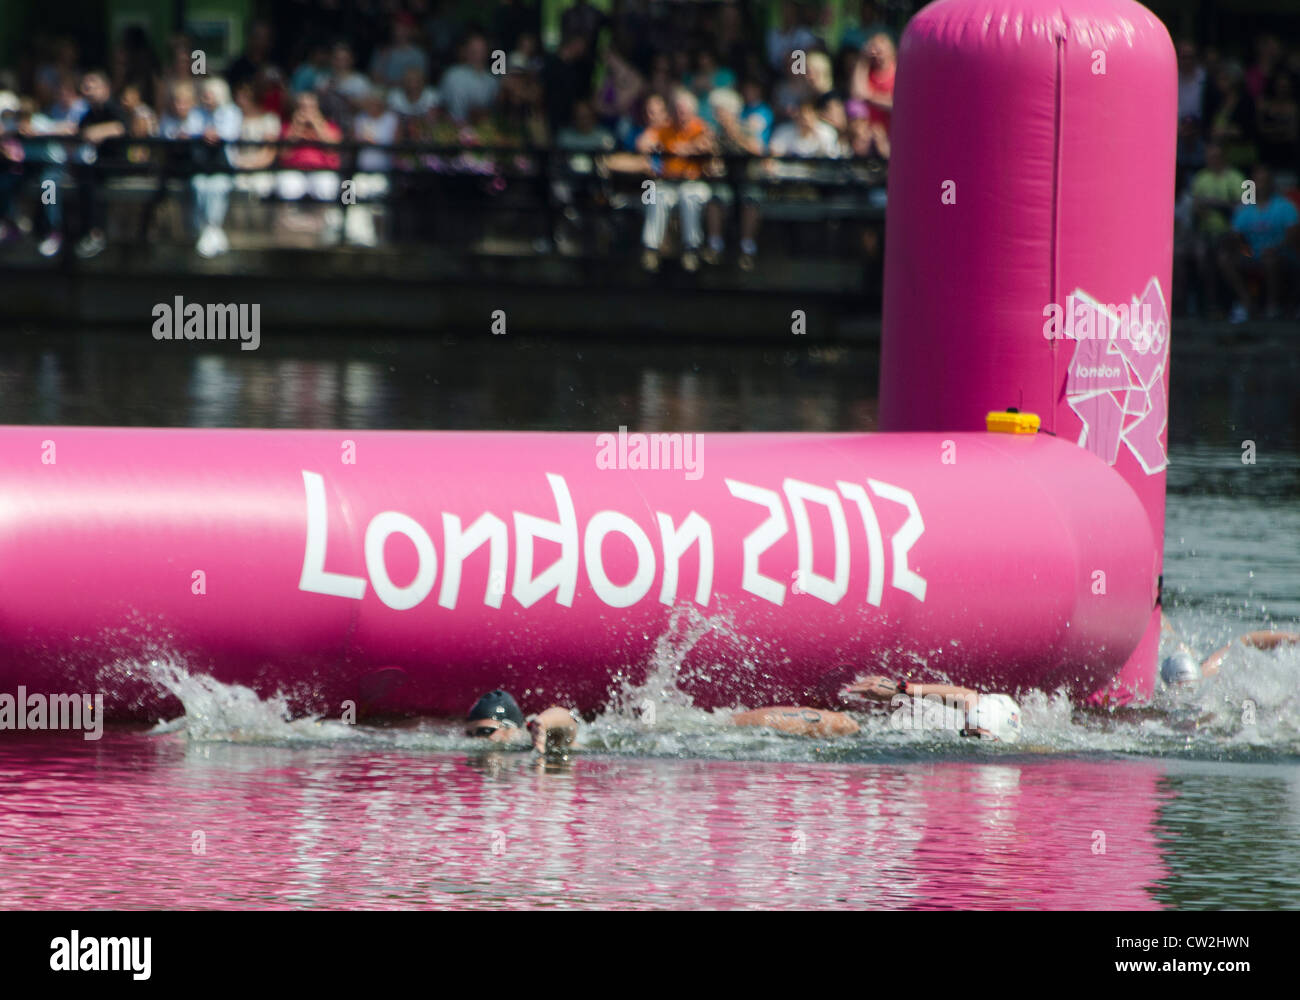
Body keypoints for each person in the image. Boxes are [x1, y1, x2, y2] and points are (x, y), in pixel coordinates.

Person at [732, 674, 1023, 744]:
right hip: (889, 738)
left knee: (843, 724)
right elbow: (967, 696)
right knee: (844, 724)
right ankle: (727, 723)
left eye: (971, 730)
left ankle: (724, 725)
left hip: (882, 743)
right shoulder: (998, 729)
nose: (966, 729)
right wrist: (899, 689)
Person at [636, 88, 714, 272]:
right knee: (653, 194)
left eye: (685, 111)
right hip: (668, 181)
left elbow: (708, 144)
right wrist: (655, 140)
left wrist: (688, 148)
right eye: (678, 111)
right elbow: (642, 144)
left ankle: (691, 249)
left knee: (690, 197)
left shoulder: (701, 127)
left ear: (692, 111)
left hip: (693, 182)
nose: (681, 115)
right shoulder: (666, 128)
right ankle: (651, 248)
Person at [1219, 164, 1298, 321]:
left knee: (1270, 259)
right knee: (1225, 258)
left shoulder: (1285, 206)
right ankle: (1247, 302)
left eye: (1264, 181)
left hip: (1281, 254)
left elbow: (1293, 235)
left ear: (1271, 183)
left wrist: (1275, 248)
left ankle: (1272, 306)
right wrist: (1244, 249)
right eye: (1258, 181)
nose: (1261, 185)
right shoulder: (1245, 208)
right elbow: (1236, 235)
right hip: (1252, 254)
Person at [464, 689, 581, 754]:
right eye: (469, 734)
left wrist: (544, 722)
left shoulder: (535, 737)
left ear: (511, 727)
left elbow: (569, 721)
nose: (476, 739)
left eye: (484, 731)